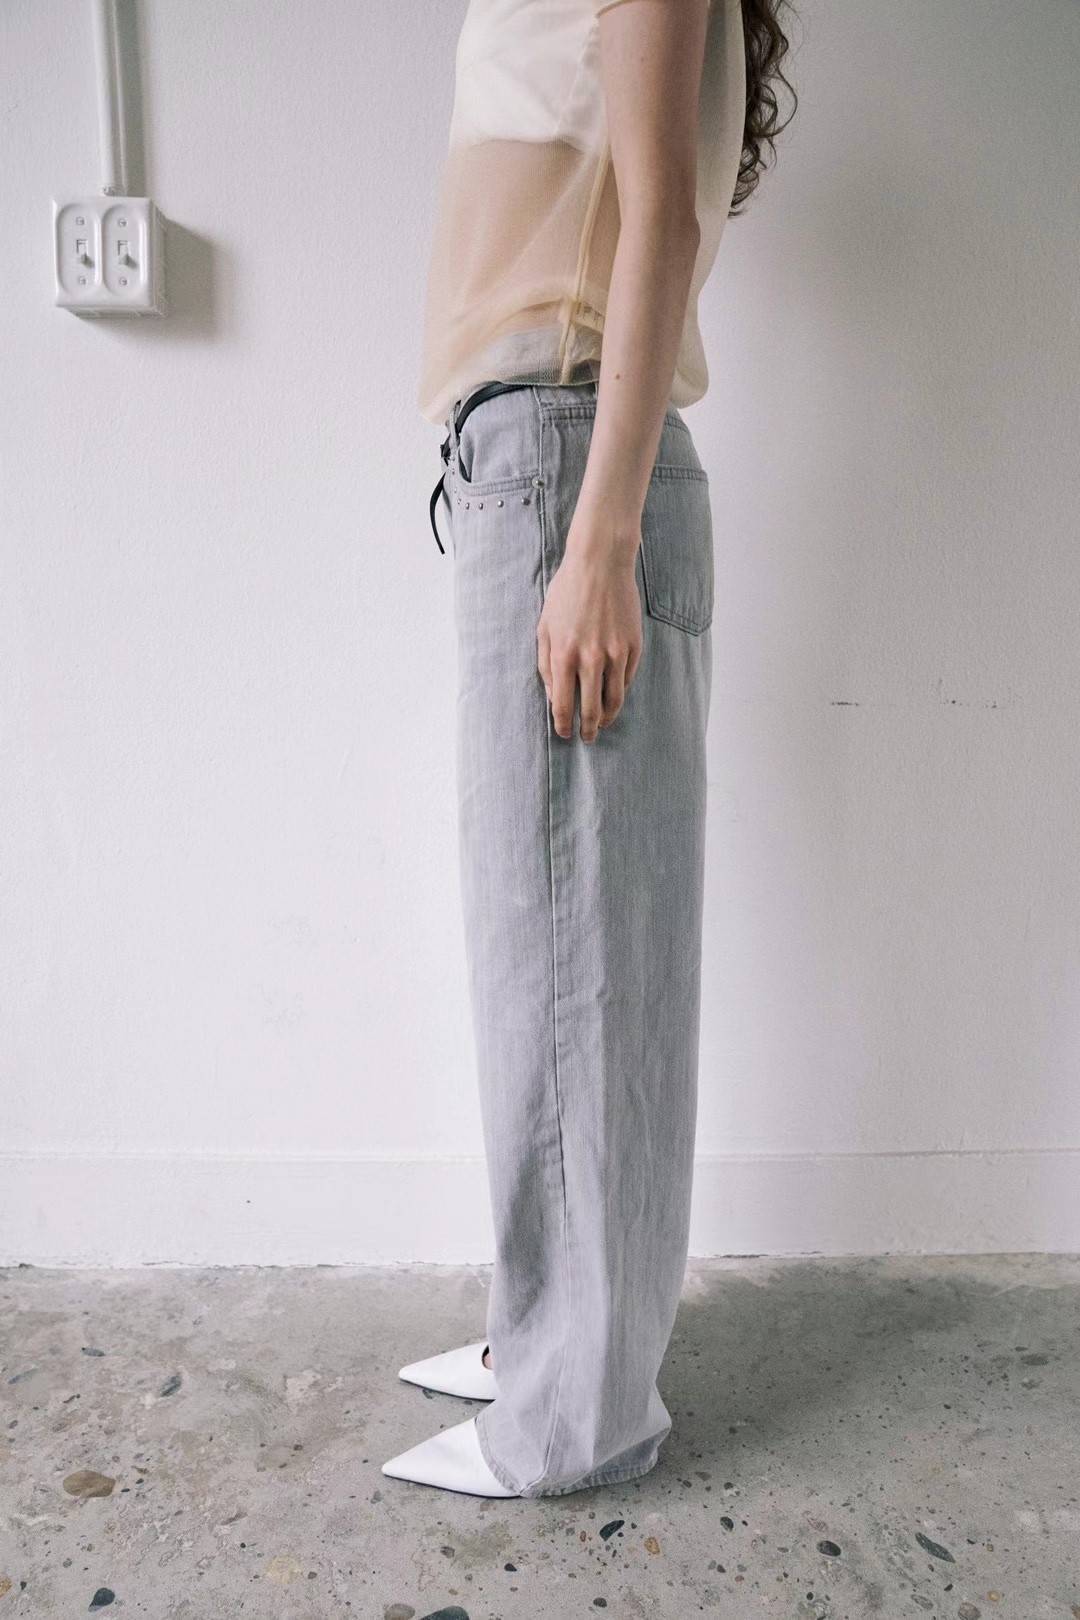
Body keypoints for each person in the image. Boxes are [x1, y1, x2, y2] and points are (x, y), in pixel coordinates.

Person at [384, 0, 796, 1499]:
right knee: (549, 951)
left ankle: (577, 1418)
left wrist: (601, 534)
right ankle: (551, 1339)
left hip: (569, 462)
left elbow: (660, 219)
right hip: (544, 453)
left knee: (575, 965)